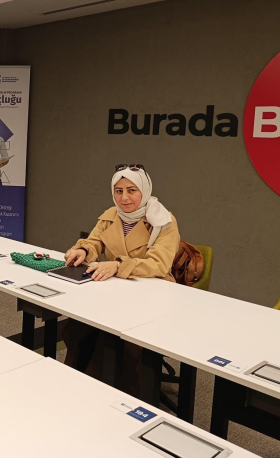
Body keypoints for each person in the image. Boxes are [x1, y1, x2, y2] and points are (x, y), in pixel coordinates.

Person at [61, 164, 180, 393]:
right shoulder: (111, 215)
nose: (124, 197)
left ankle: (118, 394)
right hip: (116, 290)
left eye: (132, 190)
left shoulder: (163, 220)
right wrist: (83, 250)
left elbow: (159, 264)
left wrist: (118, 266)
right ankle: (77, 383)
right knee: (77, 327)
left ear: (145, 190)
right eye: (119, 191)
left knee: (117, 339)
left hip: (151, 293)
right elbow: (94, 242)